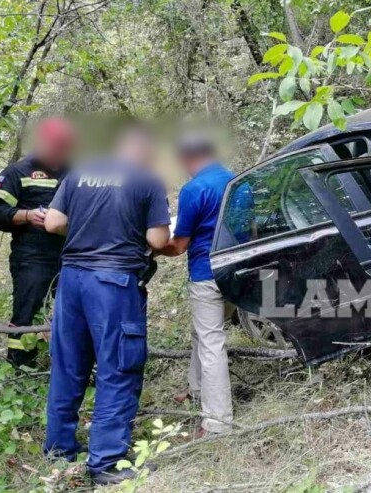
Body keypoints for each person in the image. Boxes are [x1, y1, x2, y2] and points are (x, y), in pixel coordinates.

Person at [43, 126, 170, 485]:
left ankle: (59, 451)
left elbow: (53, 222)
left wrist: (86, 232)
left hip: (72, 281)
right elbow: (157, 238)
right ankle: (107, 461)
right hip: (113, 284)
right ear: (144, 151)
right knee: (118, 367)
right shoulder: (147, 181)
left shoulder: (79, 173)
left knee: (68, 365)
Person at [158, 134, 234, 436]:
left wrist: (155, 247)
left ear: (187, 159)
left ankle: (217, 422)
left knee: (212, 341)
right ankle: (196, 389)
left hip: (207, 273)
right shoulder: (238, 181)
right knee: (203, 332)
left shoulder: (194, 189)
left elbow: (178, 245)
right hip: (238, 271)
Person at [0, 118, 74, 366]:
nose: (59, 150)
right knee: (27, 313)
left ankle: (64, 365)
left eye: (63, 145)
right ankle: (20, 368)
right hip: (32, 258)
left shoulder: (75, 172)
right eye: (54, 144)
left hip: (72, 256)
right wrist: (27, 216)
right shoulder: (17, 172)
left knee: (71, 313)